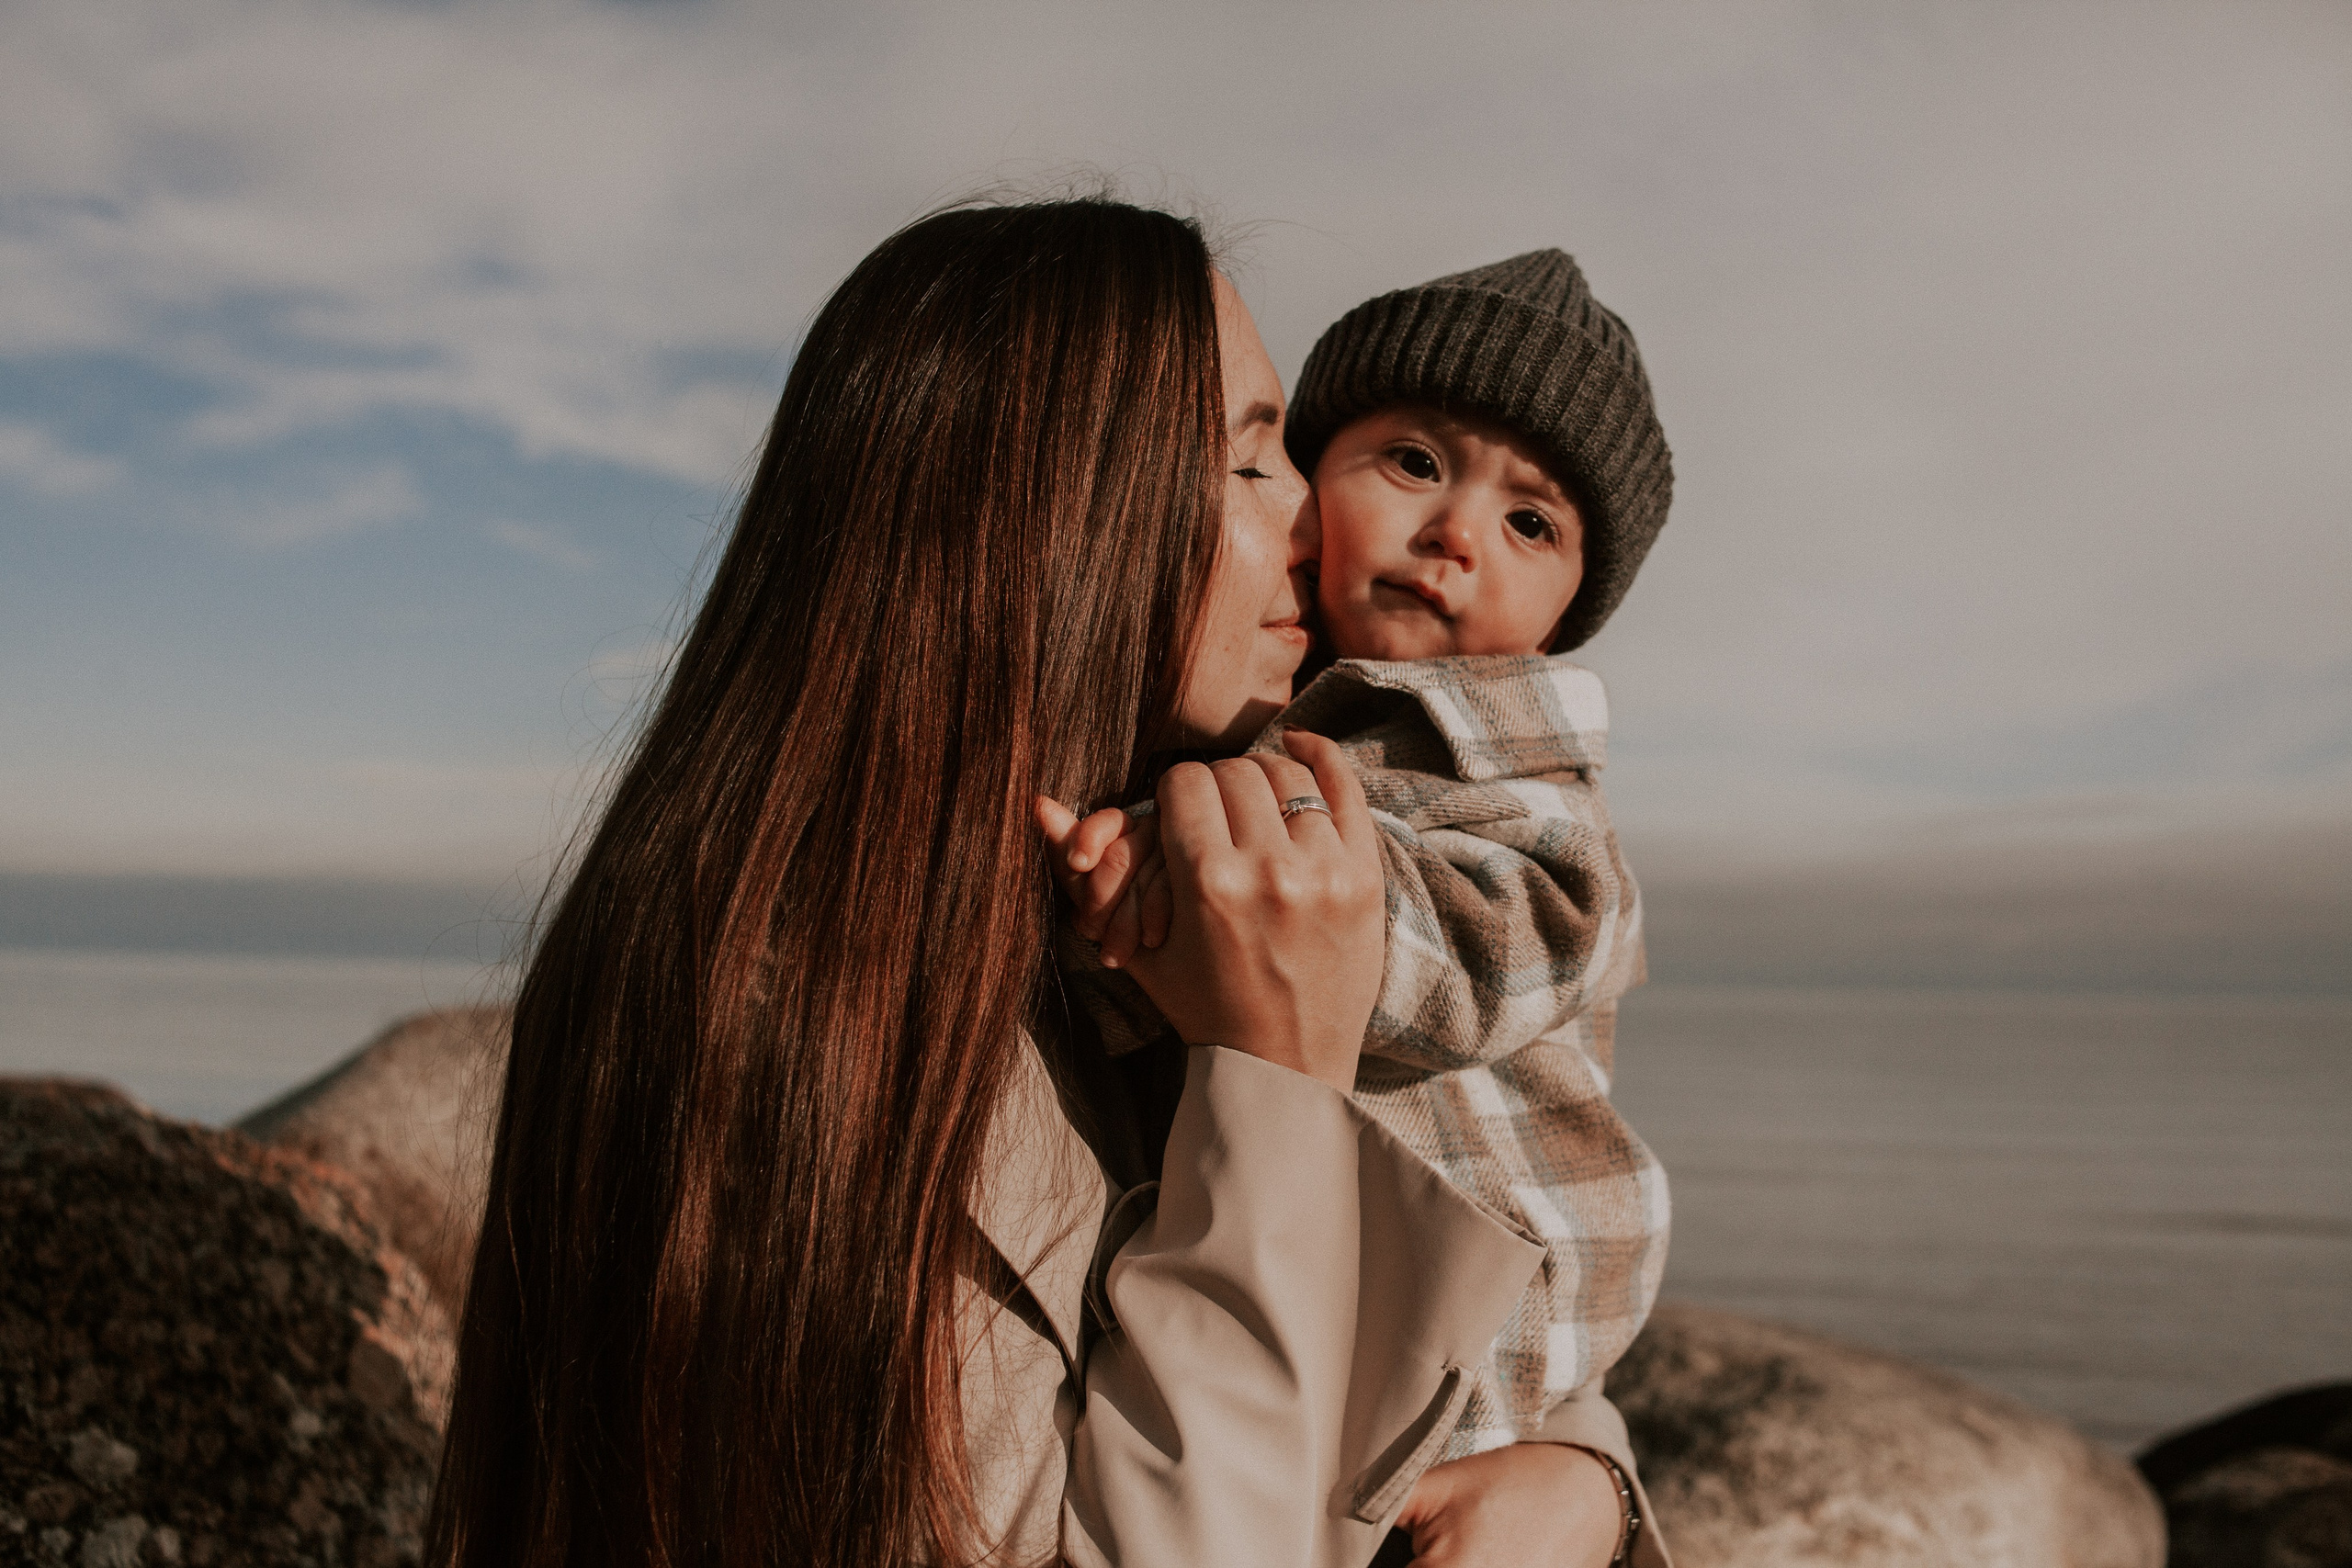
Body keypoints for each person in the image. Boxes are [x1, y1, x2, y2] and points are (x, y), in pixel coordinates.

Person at [424, 199, 1645, 1568]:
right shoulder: (802, 1029)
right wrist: (1278, 1073)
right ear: (1057, 514)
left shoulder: (1213, 875)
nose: (1320, 525)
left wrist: (1578, 1474)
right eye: (1256, 467)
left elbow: (1492, 1193)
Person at [1056, 252, 1678, 1566]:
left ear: (1570, 611)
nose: (1456, 530)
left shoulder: (1518, 764)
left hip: (1495, 1291)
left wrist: (1232, 899)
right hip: (1313, 1321)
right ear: (1307, 480)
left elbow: (1508, 947)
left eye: (1532, 524)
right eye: (1412, 462)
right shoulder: (1243, 739)